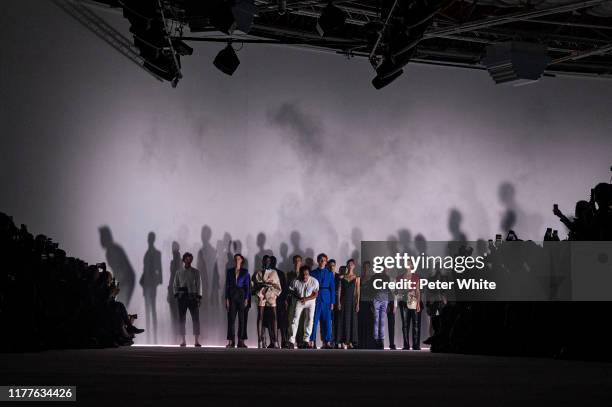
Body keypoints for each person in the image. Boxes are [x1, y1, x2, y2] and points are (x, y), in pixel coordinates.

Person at [252, 255, 282, 348]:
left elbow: (278, 286)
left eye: (268, 261)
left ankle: (276, 341)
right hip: (261, 295)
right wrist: (258, 290)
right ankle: (260, 340)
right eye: (265, 260)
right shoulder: (258, 273)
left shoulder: (274, 272)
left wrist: (275, 294)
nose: (267, 262)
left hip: (271, 295)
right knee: (260, 317)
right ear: (262, 262)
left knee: (274, 317)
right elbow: (253, 285)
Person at [173, 252, 202, 347]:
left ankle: (196, 341)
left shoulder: (196, 272)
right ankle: (183, 340)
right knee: (182, 319)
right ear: (184, 259)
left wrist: (199, 297)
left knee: (196, 319)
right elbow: (175, 284)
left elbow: (199, 285)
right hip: (182, 297)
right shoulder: (179, 272)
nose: (188, 260)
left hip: (192, 297)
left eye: (190, 259)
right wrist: (177, 295)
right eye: (187, 258)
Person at [287, 265, 319, 349]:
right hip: (299, 300)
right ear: (300, 274)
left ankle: (306, 340)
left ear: (309, 274)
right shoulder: (295, 281)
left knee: (310, 319)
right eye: (303, 274)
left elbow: (316, 294)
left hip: (310, 301)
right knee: (295, 319)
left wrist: (306, 298)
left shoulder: (314, 281)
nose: (305, 276)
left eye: (307, 274)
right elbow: (291, 291)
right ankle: (291, 341)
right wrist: (300, 298)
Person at [140, 231, 162, 344]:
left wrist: (158, 281)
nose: (149, 240)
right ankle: (150, 335)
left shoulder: (154, 253)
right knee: (149, 310)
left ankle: (153, 336)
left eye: (150, 238)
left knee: (152, 309)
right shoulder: (149, 253)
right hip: (148, 284)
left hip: (151, 284)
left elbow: (159, 269)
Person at [309, 253, 335, 349]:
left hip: (327, 299)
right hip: (315, 298)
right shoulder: (313, 273)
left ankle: (327, 342)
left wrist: (332, 302)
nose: (322, 261)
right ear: (318, 261)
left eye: (324, 260)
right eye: (320, 260)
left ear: (326, 262)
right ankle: (311, 341)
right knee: (313, 321)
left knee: (327, 321)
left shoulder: (329, 273)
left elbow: (332, 288)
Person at [225, 253, 250, 348]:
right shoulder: (229, 271)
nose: (237, 260)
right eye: (235, 259)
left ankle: (241, 341)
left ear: (241, 260)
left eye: (238, 259)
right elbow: (227, 286)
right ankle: (231, 341)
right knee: (231, 319)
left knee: (242, 320)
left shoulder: (245, 272)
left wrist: (247, 298)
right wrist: (226, 299)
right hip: (231, 296)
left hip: (241, 296)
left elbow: (247, 286)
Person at [397, 262, 422, 350]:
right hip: (404, 303)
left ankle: (415, 345)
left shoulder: (416, 277)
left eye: (409, 263)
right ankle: (406, 345)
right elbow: (398, 291)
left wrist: (418, 303)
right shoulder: (399, 277)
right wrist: (404, 293)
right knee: (405, 324)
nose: (407, 264)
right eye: (406, 262)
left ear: (411, 265)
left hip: (414, 302)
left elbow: (418, 291)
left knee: (415, 324)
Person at [337, 259, 360, 349]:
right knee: (343, 320)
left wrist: (358, 303)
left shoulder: (357, 278)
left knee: (352, 320)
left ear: (354, 266)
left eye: (352, 264)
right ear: (347, 266)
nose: (350, 265)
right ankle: (344, 341)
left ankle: (350, 341)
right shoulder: (342, 277)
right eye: (348, 264)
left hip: (352, 301)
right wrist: (338, 302)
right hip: (343, 301)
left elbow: (358, 292)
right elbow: (339, 290)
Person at [372, 268, 391, 349]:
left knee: (382, 321)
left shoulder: (388, 277)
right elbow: (371, 288)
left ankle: (381, 340)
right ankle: (376, 340)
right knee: (376, 320)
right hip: (376, 299)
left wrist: (389, 302)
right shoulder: (375, 277)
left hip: (385, 300)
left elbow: (389, 289)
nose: (385, 270)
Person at [167, 241, 181, 343]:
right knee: (175, 314)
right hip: (174, 289)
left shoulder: (177, 261)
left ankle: (176, 336)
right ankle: (176, 336)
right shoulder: (177, 261)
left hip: (175, 290)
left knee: (175, 314)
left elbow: (174, 277)